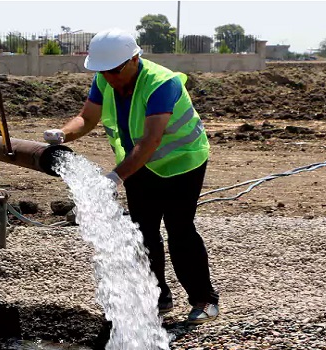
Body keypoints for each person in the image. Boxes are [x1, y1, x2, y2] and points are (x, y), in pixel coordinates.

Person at [43, 28, 219, 324]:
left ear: (134, 59)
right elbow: (87, 118)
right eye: (103, 72)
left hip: (182, 162)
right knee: (143, 231)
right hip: (138, 164)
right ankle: (158, 297)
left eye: (113, 71)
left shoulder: (162, 83)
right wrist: (63, 133)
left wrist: (115, 176)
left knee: (180, 230)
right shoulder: (104, 78)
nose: (109, 77)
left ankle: (204, 300)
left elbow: (150, 141)